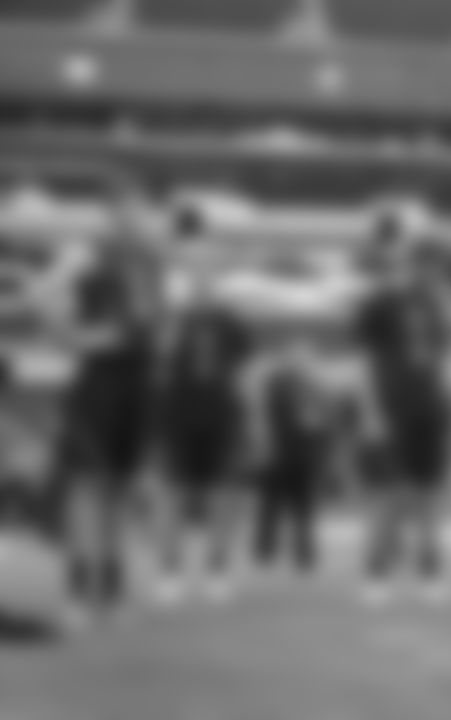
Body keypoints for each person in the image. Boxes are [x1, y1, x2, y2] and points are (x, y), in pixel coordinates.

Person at [55, 193, 166, 627]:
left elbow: (148, 331)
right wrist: (88, 334)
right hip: (97, 390)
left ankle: (111, 588)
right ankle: (79, 590)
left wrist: (117, 332)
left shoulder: (152, 275)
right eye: (123, 219)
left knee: (120, 492)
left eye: (139, 219)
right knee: (87, 489)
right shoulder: (89, 275)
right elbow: (70, 332)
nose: (133, 227)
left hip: (137, 390)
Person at [354, 232, 451, 605]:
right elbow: (365, 361)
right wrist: (371, 412)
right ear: (414, 265)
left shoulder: (436, 306)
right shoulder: (381, 303)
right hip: (393, 410)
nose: (433, 273)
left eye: (437, 266)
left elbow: (439, 361)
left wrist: (445, 403)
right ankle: (375, 573)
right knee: (389, 494)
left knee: (429, 495)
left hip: (429, 410)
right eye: (427, 264)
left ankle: (430, 572)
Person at [150, 279, 252, 604]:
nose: (202, 290)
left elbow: (246, 368)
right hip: (178, 418)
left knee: (223, 495)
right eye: (196, 283)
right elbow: (158, 363)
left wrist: (249, 420)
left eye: (209, 282)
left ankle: (217, 568)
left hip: (221, 417)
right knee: (172, 496)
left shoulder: (232, 325)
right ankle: (170, 570)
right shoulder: (171, 323)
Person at [243, 329, 336, 576]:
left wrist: (318, 424)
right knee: (270, 505)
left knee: (304, 507)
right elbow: (260, 415)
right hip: (276, 452)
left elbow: (324, 420)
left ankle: (304, 555)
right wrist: (262, 445)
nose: (302, 360)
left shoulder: (316, 386)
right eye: (297, 356)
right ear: (287, 358)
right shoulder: (274, 382)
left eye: (307, 356)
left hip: (304, 454)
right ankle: (264, 551)